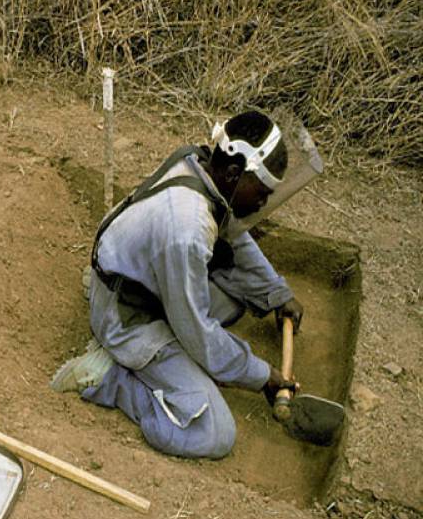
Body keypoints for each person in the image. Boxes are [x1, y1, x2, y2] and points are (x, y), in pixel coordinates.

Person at [51, 111, 301, 459]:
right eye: (261, 193)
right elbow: (198, 334)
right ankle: (109, 378)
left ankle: (128, 324)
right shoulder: (187, 228)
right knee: (212, 433)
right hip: (127, 318)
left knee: (238, 297)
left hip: (135, 282)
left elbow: (233, 233)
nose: (263, 203)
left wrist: (275, 292)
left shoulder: (199, 163)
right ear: (233, 174)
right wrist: (262, 375)